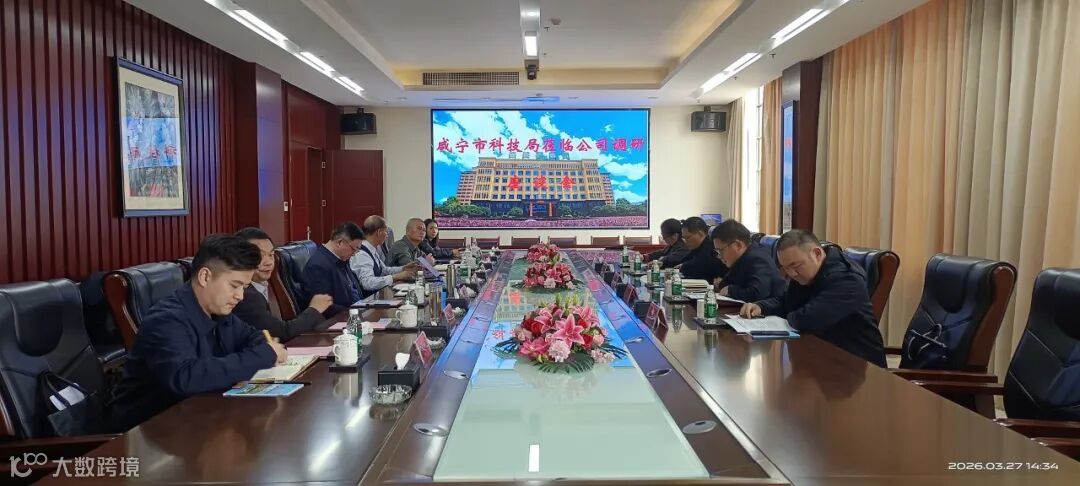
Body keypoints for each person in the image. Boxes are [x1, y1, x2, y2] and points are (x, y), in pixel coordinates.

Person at [107, 235, 287, 432]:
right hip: (146, 431)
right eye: (234, 285)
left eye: (244, 287)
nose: (240, 296)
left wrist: (265, 347)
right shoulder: (166, 320)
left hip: (199, 417)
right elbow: (186, 376)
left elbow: (252, 336)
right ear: (205, 277)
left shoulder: (217, 310)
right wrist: (264, 355)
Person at [739, 230, 886, 367]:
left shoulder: (847, 280)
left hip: (858, 366)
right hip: (821, 355)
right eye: (786, 268)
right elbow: (787, 302)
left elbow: (807, 319)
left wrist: (790, 315)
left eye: (795, 265)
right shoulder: (806, 275)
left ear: (817, 254)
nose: (792, 274)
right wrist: (761, 306)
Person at [232, 227, 333, 340]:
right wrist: (314, 309)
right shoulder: (246, 294)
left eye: (271, 255)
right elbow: (282, 332)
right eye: (260, 256)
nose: (269, 262)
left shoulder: (264, 283)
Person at [301, 221, 366, 316]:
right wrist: (353, 312)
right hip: (339, 319)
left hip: (355, 313)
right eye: (354, 249)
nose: (354, 254)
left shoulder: (341, 258)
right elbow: (324, 307)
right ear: (340, 242)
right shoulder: (318, 266)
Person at [712, 219, 786, 301]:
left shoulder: (758, 259)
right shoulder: (740, 259)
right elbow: (725, 283)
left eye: (720, 250)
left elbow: (757, 293)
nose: (719, 256)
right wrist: (724, 286)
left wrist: (730, 290)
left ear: (738, 245)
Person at [351, 215, 419, 297]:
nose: (387, 236)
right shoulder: (362, 254)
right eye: (386, 232)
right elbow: (367, 283)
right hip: (368, 300)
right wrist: (395, 277)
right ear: (379, 232)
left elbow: (384, 270)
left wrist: (403, 268)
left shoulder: (373, 250)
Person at [677, 216, 728, 282]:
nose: (686, 241)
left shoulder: (711, 248)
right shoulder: (697, 247)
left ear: (700, 233)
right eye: (684, 238)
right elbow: (683, 261)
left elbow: (698, 265)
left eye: (688, 237)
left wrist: (683, 266)